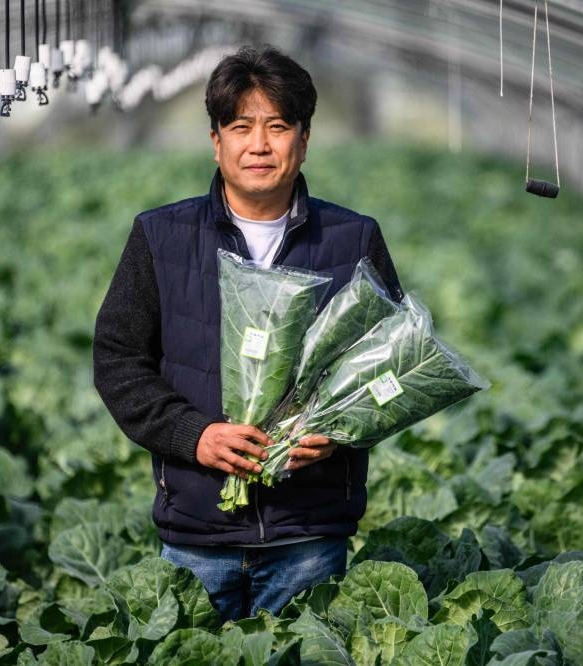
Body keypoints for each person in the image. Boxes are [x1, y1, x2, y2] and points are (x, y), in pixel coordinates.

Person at [93, 45, 403, 623]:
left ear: (304, 139)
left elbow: (393, 364)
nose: (259, 145)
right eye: (241, 127)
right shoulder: (161, 237)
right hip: (195, 535)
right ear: (217, 141)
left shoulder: (353, 240)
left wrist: (338, 429)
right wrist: (195, 435)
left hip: (308, 538)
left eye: (277, 126)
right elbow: (118, 360)